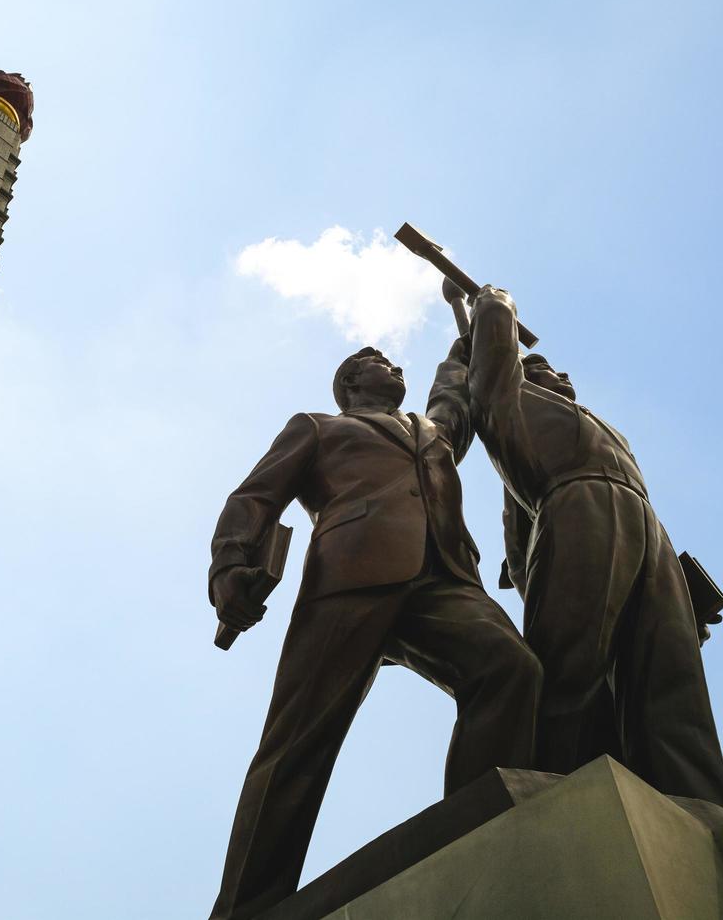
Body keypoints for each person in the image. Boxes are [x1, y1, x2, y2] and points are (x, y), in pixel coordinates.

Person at [207, 339, 541, 920]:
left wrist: (467, 347)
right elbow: (255, 495)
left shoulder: (432, 433)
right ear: (351, 382)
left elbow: (452, 403)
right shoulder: (316, 427)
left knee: (511, 667)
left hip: (443, 578)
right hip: (351, 575)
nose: (397, 368)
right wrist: (230, 567)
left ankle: (475, 828)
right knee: (299, 740)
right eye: (382, 362)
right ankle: (246, 905)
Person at [467, 285, 723, 810]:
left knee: (672, 677)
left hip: (645, 523)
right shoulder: (512, 401)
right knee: (571, 665)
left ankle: (700, 800)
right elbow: (490, 377)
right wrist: (491, 306)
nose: (561, 375)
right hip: (578, 502)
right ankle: (552, 781)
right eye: (541, 365)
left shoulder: (597, 423)